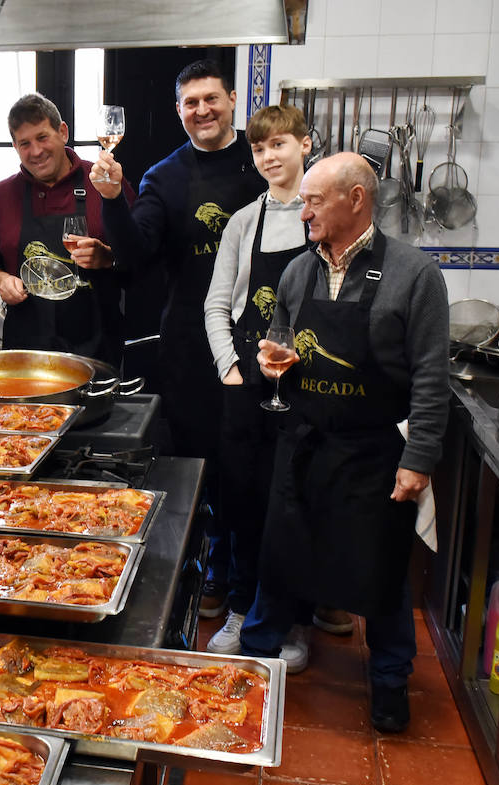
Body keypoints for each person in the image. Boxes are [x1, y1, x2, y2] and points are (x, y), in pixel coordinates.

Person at [240, 152, 449, 733]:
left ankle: (388, 681)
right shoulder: (298, 272)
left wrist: (420, 458)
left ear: (355, 200)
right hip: (305, 442)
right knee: (281, 558)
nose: (301, 211)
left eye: (313, 200)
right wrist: (269, 366)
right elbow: (274, 348)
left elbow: (433, 377)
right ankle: (255, 660)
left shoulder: (414, 275)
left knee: (381, 573)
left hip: (375, 452)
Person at [92, 59, 267, 622]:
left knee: (264, 465)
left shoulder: (262, 161)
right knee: (203, 464)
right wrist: (114, 199)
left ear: (233, 99)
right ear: (178, 111)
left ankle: (279, 584)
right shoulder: (164, 177)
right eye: (190, 103)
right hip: (191, 345)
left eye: (211, 99)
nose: (202, 111)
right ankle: (215, 569)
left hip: (266, 342)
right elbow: (137, 253)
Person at [200, 104, 311, 655]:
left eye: (279, 145)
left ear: (305, 146)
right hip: (246, 388)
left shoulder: (322, 218)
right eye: (260, 148)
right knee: (242, 502)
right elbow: (218, 303)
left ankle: (288, 620)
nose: (269, 156)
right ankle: (241, 612)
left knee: (293, 508)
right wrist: (229, 366)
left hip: (305, 389)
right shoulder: (245, 221)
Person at [0, 92, 135, 360]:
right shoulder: (1, 195)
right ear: (15, 146)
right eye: (25, 143)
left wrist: (108, 258)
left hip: (97, 352)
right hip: (24, 353)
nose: (36, 151)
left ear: (62, 132)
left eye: (42, 137)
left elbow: (139, 258)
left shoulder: (104, 184)